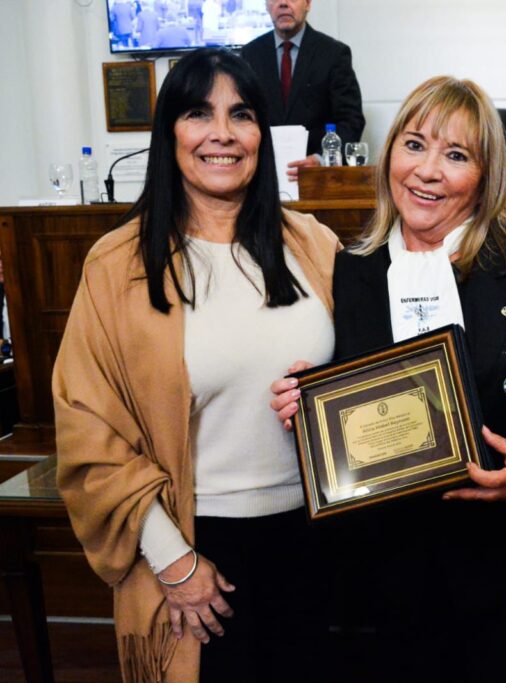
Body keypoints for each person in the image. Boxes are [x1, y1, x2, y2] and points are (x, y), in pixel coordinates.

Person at [271, 75, 506, 681]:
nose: (427, 171)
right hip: (395, 576)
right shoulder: (350, 272)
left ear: (485, 176)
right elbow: (358, 398)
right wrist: (308, 398)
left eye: (456, 155)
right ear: (389, 155)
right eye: (414, 145)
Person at [53, 48, 340, 682]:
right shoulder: (118, 265)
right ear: (169, 134)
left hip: (313, 540)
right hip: (195, 546)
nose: (222, 134)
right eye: (198, 114)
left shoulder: (314, 244)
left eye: (241, 114)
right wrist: (173, 561)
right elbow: (88, 430)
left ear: (262, 134)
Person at [240, 0, 365, 179]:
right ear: (266, 5)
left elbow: (351, 120)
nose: (283, 3)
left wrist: (321, 159)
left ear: (308, 4)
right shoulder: (250, 54)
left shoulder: (333, 53)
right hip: (262, 175)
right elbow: (241, 118)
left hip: (317, 176)